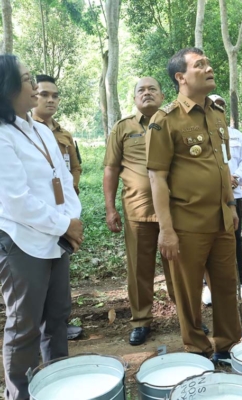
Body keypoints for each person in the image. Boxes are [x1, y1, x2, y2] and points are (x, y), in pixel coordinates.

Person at [146, 47, 241, 361]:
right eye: (200, 65)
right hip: (186, 224)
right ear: (181, 77)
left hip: (221, 219)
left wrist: (230, 205)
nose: (209, 68)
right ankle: (197, 350)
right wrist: (166, 230)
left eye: (208, 63)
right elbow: (157, 177)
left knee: (226, 286)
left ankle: (227, 347)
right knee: (188, 293)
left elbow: (222, 164)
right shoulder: (165, 120)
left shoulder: (216, 112)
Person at [0, 54, 83, 400]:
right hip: (23, 243)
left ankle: (56, 385)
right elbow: (16, 201)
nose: (35, 86)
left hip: (55, 239)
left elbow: (64, 180)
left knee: (57, 317)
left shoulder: (42, 131)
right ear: (7, 88)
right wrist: (64, 224)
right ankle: (20, 393)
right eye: (27, 79)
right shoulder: (2, 136)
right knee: (25, 327)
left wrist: (73, 220)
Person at [103, 77, 176, 346]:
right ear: (134, 98)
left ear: (162, 95)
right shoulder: (123, 128)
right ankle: (141, 321)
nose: (146, 93)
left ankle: (187, 315)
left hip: (174, 212)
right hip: (137, 210)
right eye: (141, 90)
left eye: (152, 89)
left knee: (178, 268)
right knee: (138, 271)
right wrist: (110, 208)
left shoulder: (173, 122)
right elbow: (111, 168)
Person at [32, 74, 83, 341]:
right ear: (32, 95)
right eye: (44, 94)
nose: (50, 100)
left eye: (54, 95)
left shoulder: (64, 135)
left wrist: (69, 194)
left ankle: (58, 325)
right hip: (38, 216)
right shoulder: (24, 132)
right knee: (37, 280)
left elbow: (74, 167)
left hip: (65, 212)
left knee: (59, 277)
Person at [202, 94, 242, 302]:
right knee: (208, 240)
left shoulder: (236, 135)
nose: (218, 109)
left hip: (235, 195)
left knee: (235, 239)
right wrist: (220, 179)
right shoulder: (200, 133)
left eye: (221, 106)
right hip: (209, 196)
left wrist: (235, 178)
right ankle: (208, 286)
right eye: (214, 105)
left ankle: (239, 282)